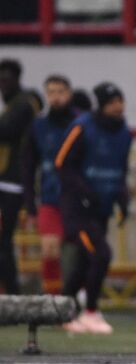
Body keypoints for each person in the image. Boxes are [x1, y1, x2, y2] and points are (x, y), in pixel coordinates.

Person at [55, 82, 132, 334]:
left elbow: (120, 170)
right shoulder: (82, 127)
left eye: (120, 101)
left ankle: (63, 312)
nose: (118, 107)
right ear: (102, 105)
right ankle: (90, 310)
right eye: (112, 103)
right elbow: (62, 163)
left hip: (102, 209)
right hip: (78, 210)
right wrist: (85, 193)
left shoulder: (124, 133)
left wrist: (122, 199)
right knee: (101, 254)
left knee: (84, 263)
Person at [23, 75, 76, 294]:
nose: (56, 97)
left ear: (69, 94)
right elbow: (28, 166)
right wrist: (29, 204)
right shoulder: (38, 127)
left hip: (76, 201)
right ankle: (52, 301)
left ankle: (76, 299)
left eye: (60, 92)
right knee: (50, 249)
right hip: (49, 198)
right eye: (51, 92)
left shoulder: (80, 125)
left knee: (76, 253)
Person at [0, 58, 35, 294]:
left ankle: (12, 294)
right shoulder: (15, 105)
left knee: (4, 242)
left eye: (6, 80)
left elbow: (6, 131)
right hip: (8, 180)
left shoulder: (24, 104)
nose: (3, 85)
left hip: (14, 183)